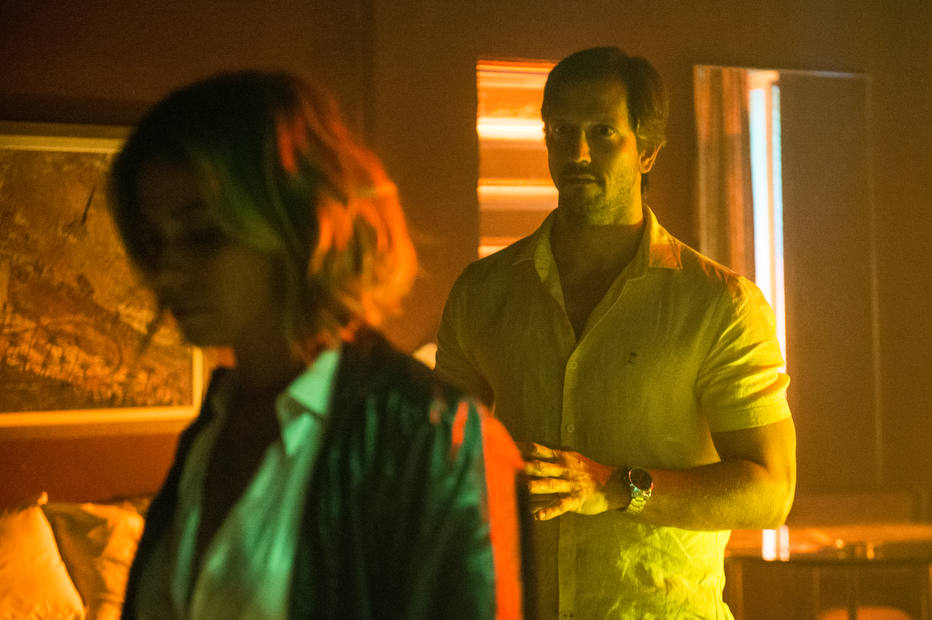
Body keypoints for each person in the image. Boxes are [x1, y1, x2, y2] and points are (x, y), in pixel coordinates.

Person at [110, 70, 525, 619]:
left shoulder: (428, 436)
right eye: (154, 241)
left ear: (299, 222)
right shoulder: (213, 428)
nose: (168, 270)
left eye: (204, 234)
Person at [435, 46, 796, 618]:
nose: (577, 152)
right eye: (561, 131)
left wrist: (614, 487)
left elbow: (770, 490)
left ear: (647, 151)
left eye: (602, 132)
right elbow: (442, 461)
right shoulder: (483, 293)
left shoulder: (718, 305)